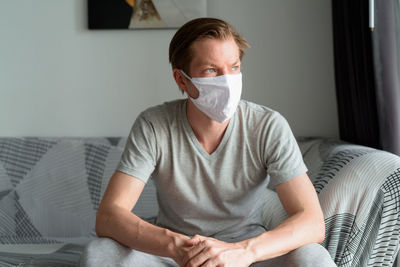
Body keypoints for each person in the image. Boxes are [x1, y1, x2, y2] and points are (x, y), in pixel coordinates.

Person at [80, 17, 336, 267]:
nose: (227, 80)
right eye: (211, 70)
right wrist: (178, 248)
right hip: (175, 254)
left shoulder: (268, 125)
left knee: (312, 256)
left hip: (247, 254)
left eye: (234, 67)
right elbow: (109, 216)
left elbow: (312, 222)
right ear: (181, 80)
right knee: (101, 252)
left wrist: (243, 252)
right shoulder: (153, 125)